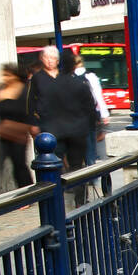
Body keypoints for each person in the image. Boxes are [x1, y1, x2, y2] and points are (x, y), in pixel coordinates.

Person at [38, 48, 97, 206]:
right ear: (73, 67)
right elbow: (91, 108)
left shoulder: (50, 86)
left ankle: (56, 200)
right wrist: (91, 127)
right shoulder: (80, 84)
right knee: (77, 166)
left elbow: (43, 109)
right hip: (77, 131)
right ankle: (79, 200)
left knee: (56, 167)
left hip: (55, 131)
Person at [0, 62, 37, 189]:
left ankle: (27, 191)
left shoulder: (24, 90)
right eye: (4, 75)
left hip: (18, 134)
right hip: (3, 133)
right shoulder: (0, 89)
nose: (5, 78)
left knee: (19, 163)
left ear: (15, 76)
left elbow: (29, 112)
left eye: (7, 75)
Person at [75, 54, 110, 165]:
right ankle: (91, 170)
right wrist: (104, 114)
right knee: (91, 144)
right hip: (90, 114)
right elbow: (98, 97)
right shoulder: (91, 77)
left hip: (75, 116)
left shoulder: (68, 77)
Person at [28, 44, 59, 121]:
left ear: (57, 60)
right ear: (42, 59)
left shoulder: (65, 76)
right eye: (46, 57)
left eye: (52, 58)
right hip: (45, 120)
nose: (50, 61)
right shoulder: (37, 77)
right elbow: (31, 99)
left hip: (65, 120)